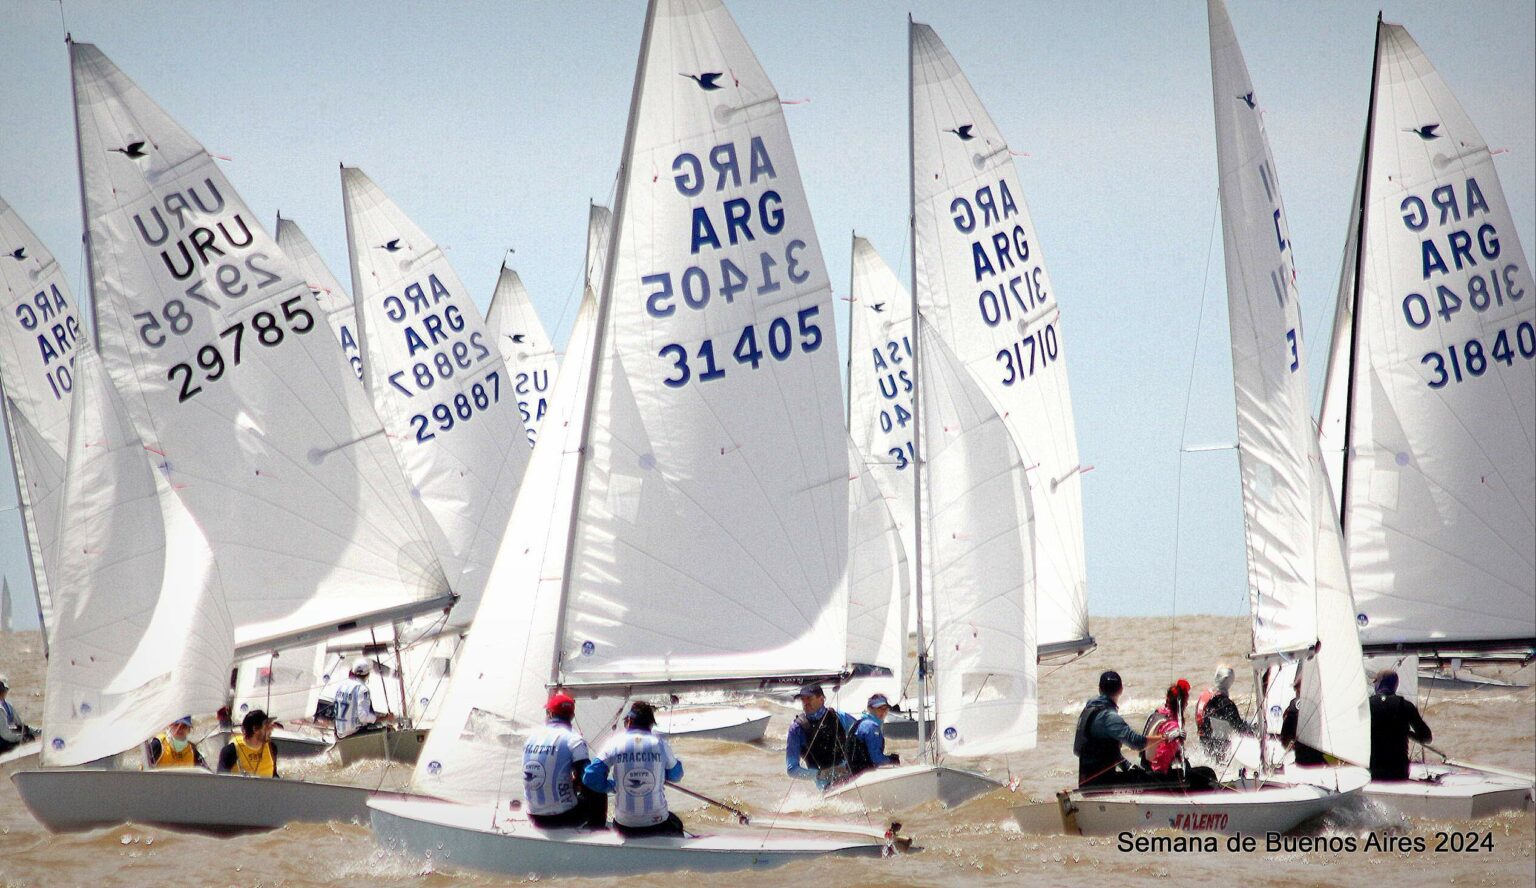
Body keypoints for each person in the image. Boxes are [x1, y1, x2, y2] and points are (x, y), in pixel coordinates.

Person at [583, 701, 684, 837]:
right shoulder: (660, 744)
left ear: (629, 721)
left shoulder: (614, 743)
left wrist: (614, 786)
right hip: (657, 825)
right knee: (677, 823)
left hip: (624, 826)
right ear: (650, 724)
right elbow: (677, 776)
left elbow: (590, 777)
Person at [523, 691, 607, 829]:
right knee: (597, 781)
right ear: (572, 716)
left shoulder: (530, 738)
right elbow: (588, 779)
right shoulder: (574, 740)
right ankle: (596, 830)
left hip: (533, 816)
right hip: (563, 818)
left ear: (550, 714)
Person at [1074, 670, 1173, 787]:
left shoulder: (1088, 710)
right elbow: (1137, 743)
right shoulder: (1109, 717)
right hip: (1102, 783)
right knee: (1155, 779)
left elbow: (1081, 750)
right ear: (1121, 689)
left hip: (1086, 781)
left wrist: (1126, 765)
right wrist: (1165, 737)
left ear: (1099, 689)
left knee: (1138, 773)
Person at [785, 683, 857, 789]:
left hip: (850, 772)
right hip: (826, 784)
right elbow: (792, 769)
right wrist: (821, 774)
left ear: (822, 699)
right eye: (803, 699)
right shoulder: (796, 729)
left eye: (809, 698)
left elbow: (862, 734)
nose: (805, 702)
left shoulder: (839, 717)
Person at [1368, 670, 1431, 781]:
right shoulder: (1406, 706)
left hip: (1373, 770)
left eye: (1375, 682)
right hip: (1398, 770)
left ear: (1379, 683)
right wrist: (1406, 732)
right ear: (1395, 685)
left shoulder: (1366, 705)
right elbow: (1426, 737)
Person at [1195, 665, 1255, 759]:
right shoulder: (1225, 703)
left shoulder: (1204, 695)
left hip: (1204, 742)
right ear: (1230, 682)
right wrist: (1255, 731)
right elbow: (1239, 728)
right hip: (1219, 748)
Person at [331, 657, 394, 739]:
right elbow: (363, 716)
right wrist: (385, 718)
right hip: (353, 733)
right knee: (388, 730)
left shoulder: (341, 686)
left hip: (340, 733)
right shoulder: (362, 689)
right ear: (367, 675)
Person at [1279, 666, 1328, 767]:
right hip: (1320, 761)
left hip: (1305, 762)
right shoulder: (1324, 704)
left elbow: (1285, 741)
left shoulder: (1294, 707)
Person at [845, 693, 901, 779]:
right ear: (870, 709)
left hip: (853, 774)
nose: (883, 712)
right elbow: (877, 759)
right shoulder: (872, 726)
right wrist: (892, 760)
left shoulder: (859, 723)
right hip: (863, 776)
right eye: (879, 708)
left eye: (885, 708)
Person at [1141, 681, 1190, 774]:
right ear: (1182, 704)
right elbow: (1161, 759)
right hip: (1156, 774)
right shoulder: (1173, 726)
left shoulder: (1156, 714)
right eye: (1186, 702)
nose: (1187, 704)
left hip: (1144, 765)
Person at [218, 709, 282, 777]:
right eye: (267, 727)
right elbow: (220, 779)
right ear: (255, 729)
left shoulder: (272, 747)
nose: (271, 729)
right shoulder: (231, 751)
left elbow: (274, 775)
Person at [0, 675, 38, 754]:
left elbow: (21, 726)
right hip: (2, 742)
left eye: (4, 689)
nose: (2, 692)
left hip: (6, 739)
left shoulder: (8, 706)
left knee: (29, 736)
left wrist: (41, 732)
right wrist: (22, 738)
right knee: (27, 739)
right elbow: (5, 734)